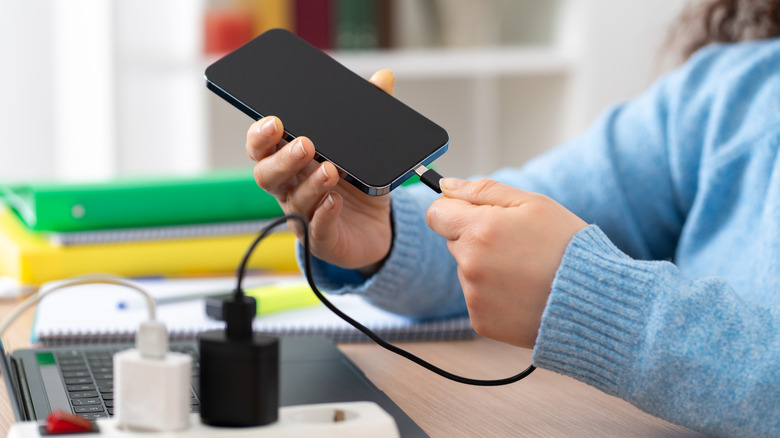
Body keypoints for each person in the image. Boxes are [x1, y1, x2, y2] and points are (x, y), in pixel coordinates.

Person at [244, 1, 780, 436]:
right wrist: (385, 237)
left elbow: (557, 270)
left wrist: (593, 302)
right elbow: (531, 222)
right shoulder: (728, 93)